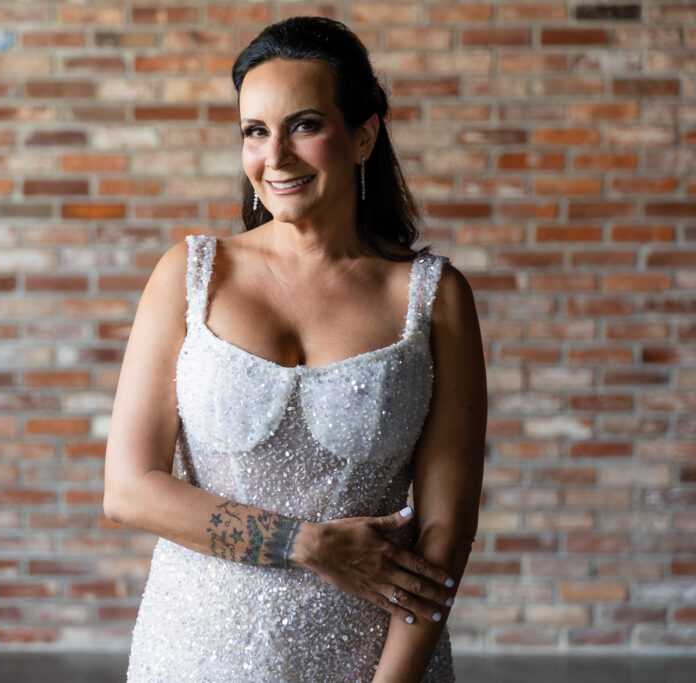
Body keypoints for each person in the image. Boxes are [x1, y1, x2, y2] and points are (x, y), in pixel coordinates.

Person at [103, 16, 486, 683]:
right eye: (255, 131)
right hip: (193, 650)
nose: (274, 156)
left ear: (364, 135)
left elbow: (445, 534)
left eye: (304, 125)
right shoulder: (190, 275)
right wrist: (304, 544)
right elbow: (129, 489)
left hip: (367, 658)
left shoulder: (433, 297)